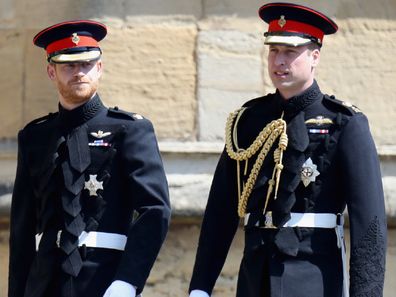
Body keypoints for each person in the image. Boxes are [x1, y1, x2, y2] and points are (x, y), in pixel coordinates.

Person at [189, 3, 387, 297]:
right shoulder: (249, 120)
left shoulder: (344, 123)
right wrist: (200, 287)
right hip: (255, 277)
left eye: (290, 52)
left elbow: (369, 224)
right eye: (274, 51)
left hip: (313, 277)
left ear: (314, 56)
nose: (279, 61)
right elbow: (220, 210)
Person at [8, 20, 171, 297]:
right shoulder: (35, 137)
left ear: (99, 68)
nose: (78, 73)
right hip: (44, 285)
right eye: (69, 66)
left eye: (86, 64)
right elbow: (22, 229)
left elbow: (155, 210)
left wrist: (127, 281)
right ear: (51, 71)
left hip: (105, 281)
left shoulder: (129, 130)